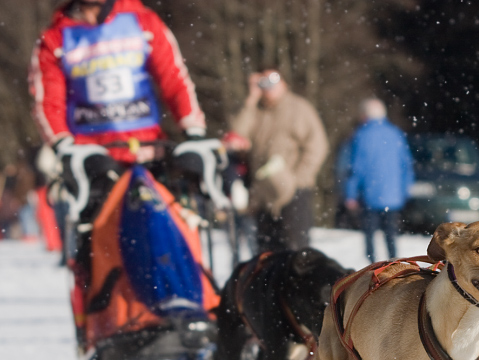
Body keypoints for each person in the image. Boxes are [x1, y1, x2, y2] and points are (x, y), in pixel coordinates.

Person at [29, 0, 207, 209]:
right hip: (92, 158)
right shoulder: (54, 38)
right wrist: (62, 144)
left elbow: (174, 80)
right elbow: (48, 102)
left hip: (149, 150)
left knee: (184, 216)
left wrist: (193, 129)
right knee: (94, 228)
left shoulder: (144, 21)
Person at [230, 67, 329, 253]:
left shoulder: (299, 108)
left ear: (284, 83)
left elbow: (317, 146)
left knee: (296, 251)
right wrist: (251, 100)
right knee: (266, 255)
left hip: (294, 194)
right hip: (263, 196)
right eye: (263, 83)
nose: (268, 87)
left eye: (273, 81)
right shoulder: (256, 111)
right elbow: (237, 135)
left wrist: (297, 180)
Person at [343, 98, 414, 263]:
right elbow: (406, 165)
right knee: (391, 234)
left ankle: (372, 266)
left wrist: (350, 194)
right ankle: (395, 265)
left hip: (370, 194)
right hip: (393, 196)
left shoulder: (361, 135)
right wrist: (404, 190)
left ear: (365, 116)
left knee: (370, 234)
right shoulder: (396, 133)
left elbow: (355, 168)